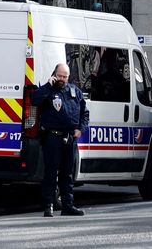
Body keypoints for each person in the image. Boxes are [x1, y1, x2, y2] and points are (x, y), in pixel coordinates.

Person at [31, 62, 89, 217]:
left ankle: (67, 205)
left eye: (65, 76)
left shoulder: (74, 91)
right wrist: (47, 86)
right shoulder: (48, 90)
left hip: (70, 138)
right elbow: (34, 100)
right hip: (53, 137)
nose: (62, 79)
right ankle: (48, 206)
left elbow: (85, 113)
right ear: (54, 74)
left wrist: (80, 129)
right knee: (51, 173)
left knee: (67, 174)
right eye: (59, 76)